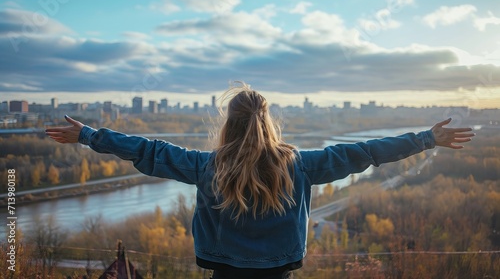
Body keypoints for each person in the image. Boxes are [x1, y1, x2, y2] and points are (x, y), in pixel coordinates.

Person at [46, 83, 474, 279]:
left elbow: (147, 150)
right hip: (279, 272)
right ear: (268, 123)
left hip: (224, 272)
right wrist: (425, 139)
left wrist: (88, 135)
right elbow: (364, 153)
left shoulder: (205, 166)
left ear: (228, 125)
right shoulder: (301, 165)